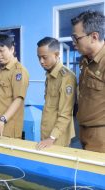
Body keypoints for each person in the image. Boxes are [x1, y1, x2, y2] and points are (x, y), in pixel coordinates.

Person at [71, 11, 105, 153]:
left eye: (76, 38)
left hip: (101, 136)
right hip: (83, 131)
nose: (73, 42)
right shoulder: (84, 60)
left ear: (94, 37)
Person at [36, 37, 76, 150]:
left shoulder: (67, 77)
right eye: (39, 58)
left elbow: (65, 113)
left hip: (58, 137)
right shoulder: (49, 75)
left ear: (56, 54)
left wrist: (52, 137)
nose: (41, 62)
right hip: (47, 132)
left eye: (44, 57)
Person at [0, 34, 29, 141]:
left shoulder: (18, 71)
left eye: (1, 50)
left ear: (12, 49)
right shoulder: (0, 70)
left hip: (6, 129)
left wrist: (2, 120)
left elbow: (18, 99)